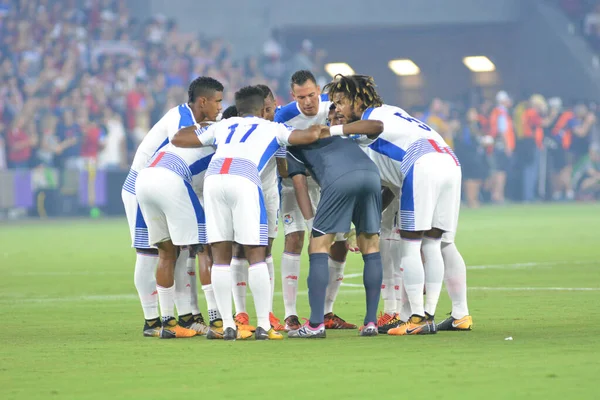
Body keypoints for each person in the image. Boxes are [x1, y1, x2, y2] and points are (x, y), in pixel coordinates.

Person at [171, 85, 323, 340]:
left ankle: (228, 325)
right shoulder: (272, 127)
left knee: (220, 255)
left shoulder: (223, 125)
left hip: (215, 178)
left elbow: (178, 138)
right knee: (256, 253)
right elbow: (307, 137)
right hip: (244, 178)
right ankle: (263, 324)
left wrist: (206, 126)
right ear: (262, 108)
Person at [326, 74, 462, 335]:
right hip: (448, 161)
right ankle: (429, 315)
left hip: (420, 164)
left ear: (359, 99)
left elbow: (373, 127)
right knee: (432, 243)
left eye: (341, 102)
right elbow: (388, 187)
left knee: (410, 244)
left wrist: (330, 130)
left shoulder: (371, 120)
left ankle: (416, 317)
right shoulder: (394, 112)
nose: (338, 110)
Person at [121, 76, 223, 337]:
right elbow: (180, 150)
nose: (220, 109)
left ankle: (185, 316)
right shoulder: (182, 118)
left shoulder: (199, 122)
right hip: (143, 184)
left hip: (163, 182)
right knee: (150, 254)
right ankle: (153, 321)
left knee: (178, 250)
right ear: (202, 102)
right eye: (218, 102)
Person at [284, 95, 385, 338]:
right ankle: (371, 322)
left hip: (339, 179)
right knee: (370, 247)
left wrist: (311, 224)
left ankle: (316, 324)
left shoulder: (294, 144)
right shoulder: (345, 135)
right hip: (372, 176)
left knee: (319, 246)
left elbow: (299, 185)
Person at [275, 70, 356, 331]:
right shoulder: (283, 116)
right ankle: (290, 315)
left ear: (318, 90)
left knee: (340, 243)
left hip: (325, 184)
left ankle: (327, 311)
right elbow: (280, 161)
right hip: (292, 184)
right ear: (293, 96)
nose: (308, 101)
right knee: (295, 238)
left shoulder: (331, 104)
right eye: (301, 97)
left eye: (311, 95)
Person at [227, 85, 286, 332]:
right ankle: (240, 312)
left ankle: (268, 312)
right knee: (238, 250)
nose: (269, 113)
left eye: (272, 109)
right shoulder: (240, 125)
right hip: (241, 191)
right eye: (266, 109)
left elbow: (282, 168)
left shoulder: (275, 130)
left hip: (268, 195)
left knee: (266, 251)